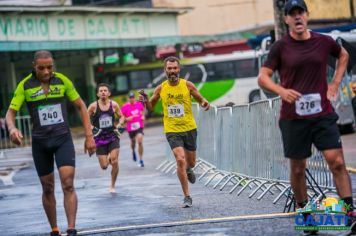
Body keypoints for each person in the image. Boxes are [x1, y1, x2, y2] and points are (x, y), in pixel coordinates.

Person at [257, 0, 355, 234]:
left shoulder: (323, 42)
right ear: (287, 20)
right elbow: (263, 77)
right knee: (298, 169)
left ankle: (350, 214)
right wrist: (281, 91)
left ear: (307, 16)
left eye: (301, 12)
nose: (298, 17)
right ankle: (306, 215)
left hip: (322, 114)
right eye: (293, 14)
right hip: (293, 118)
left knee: (338, 162)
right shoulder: (280, 47)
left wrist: (334, 83)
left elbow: (343, 56)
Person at [5, 50, 96, 236]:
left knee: (68, 183)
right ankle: (54, 229)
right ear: (34, 66)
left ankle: (71, 229)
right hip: (40, 143)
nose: (46, 72)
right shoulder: (25, 85)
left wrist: (89, 136)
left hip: (63, 138)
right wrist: (12, 128)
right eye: (41, 68)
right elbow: (11, 112)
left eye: (49, 67)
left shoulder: (62, 80)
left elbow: (81, 105)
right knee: (48, 187)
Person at [141, 56, 210, 208]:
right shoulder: (161, 88)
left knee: (190, 162)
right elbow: (150, 108)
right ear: (165, 70)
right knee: (180, 159)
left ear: (179, 69)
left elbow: (200, 99)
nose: (172, 71)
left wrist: (205, 103)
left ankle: (189, 168)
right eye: (169, 68)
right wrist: (146, 100)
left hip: (189, 128)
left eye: (174, 68)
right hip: (172, 130)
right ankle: (187, 196)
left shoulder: (188, 85)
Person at [87, 83, 125, 193]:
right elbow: (85, 119)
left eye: (105, 90)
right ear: (97, 94)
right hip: (99, 138)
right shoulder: (93, 106)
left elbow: (122, 116)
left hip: (112, 135)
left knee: (115, 161)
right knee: (104, 166)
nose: (103, 92)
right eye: (101, 91)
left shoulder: (114, 105)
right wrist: (91, 127)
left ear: (109, 93)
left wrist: (120, 124)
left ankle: (112, 185)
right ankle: (107, 158)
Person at [121, 92, 145, 167]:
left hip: (139, 126)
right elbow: (121, 118)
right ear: (128, 98)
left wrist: (143, 116)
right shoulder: (125, 107)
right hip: (130, 128)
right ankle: (133, 151)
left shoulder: (139, 104)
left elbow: (142, 111)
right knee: (133, 142)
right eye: (130, 98)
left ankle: (141, 160)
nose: (132, 99)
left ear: (134, 98)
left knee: (140, 141)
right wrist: (127, 119)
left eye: (133, 97)